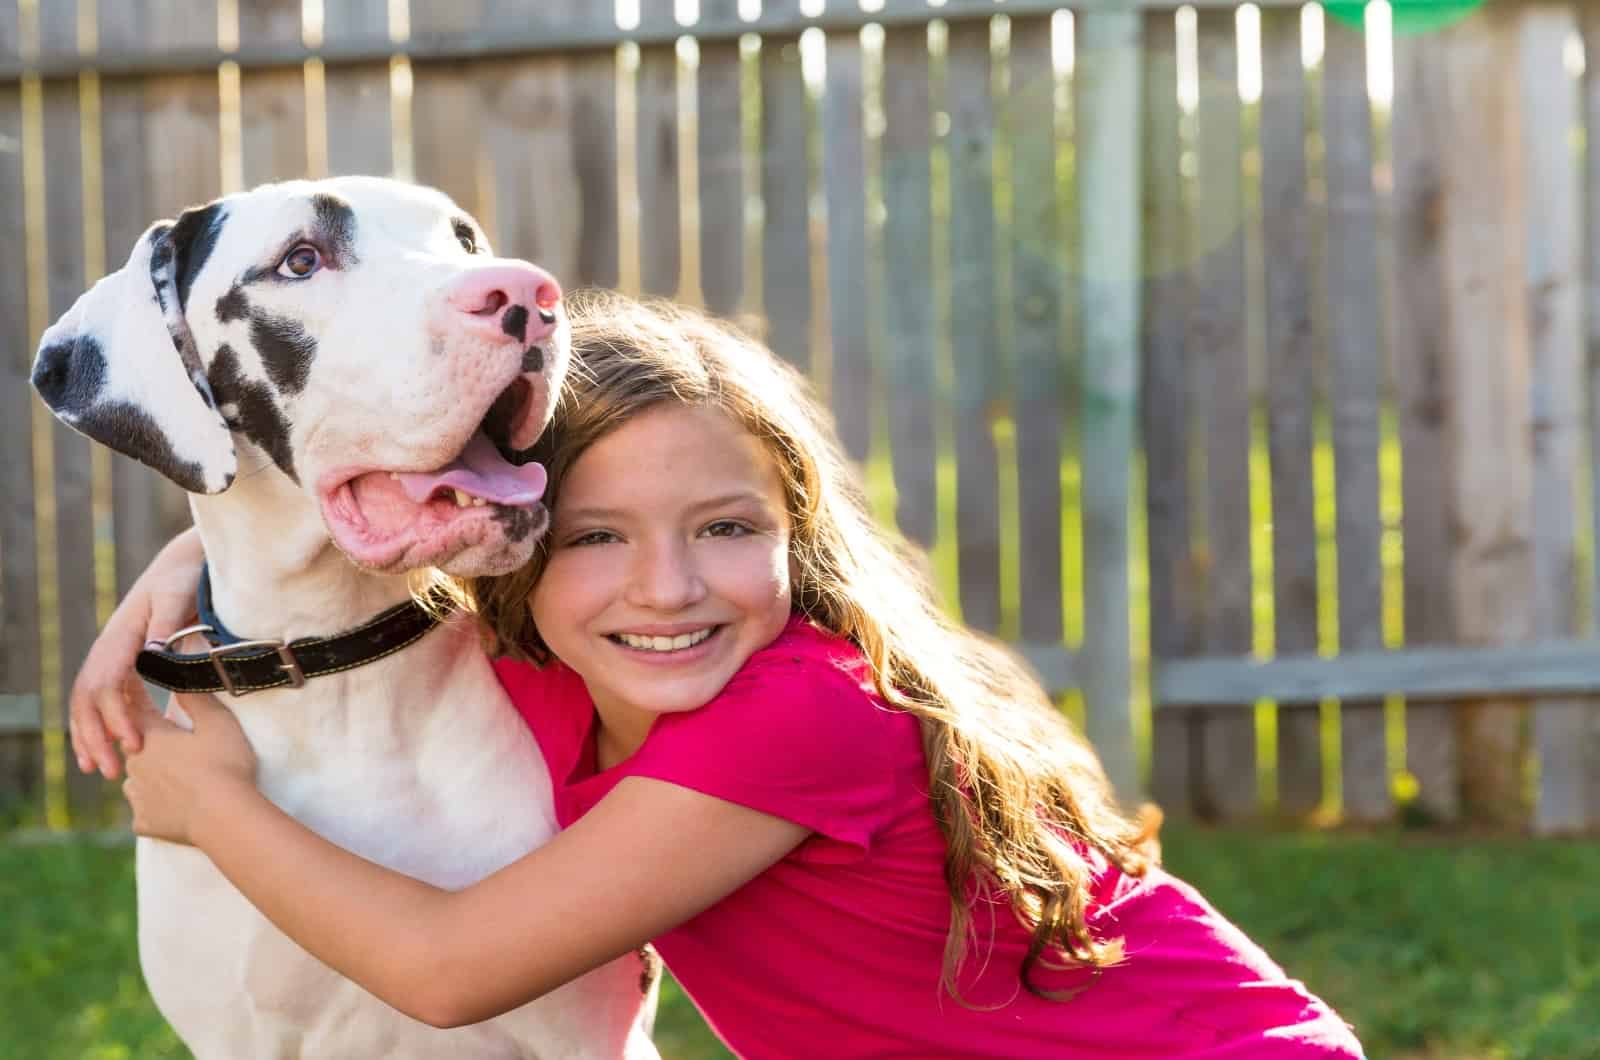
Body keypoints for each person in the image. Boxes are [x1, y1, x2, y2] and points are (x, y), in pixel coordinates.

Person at [74, 291, 1364, 1057]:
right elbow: (356, 538)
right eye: (596, 538)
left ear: (797, 532)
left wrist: (212, 810)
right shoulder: (573, 670)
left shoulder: (797, 715)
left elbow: (449, 970)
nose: (668, 587)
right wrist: (170, 584)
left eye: (727, 529)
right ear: (514, 544)